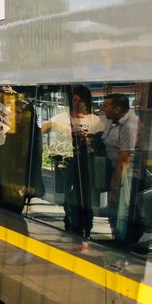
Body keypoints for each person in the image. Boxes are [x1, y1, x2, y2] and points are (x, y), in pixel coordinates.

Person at [42, 85, 103, 238]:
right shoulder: (63, 117)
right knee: (69, 195)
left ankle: (86, 225)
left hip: (86, 163)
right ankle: (71, 222)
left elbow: (100, 143)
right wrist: (61, 127)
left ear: (86, 102)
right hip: (68, 162)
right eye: (74, 100)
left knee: (86, 195)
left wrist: (87, 136)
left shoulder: (94, 120)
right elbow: (43, 128)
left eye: (80, 101)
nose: (77, 104)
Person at [100, 93, 138, 242]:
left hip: (125, 173)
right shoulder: (112, 120)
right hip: (113, 169)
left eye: (106, 106)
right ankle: (115, 236)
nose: (102, 109)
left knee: (123, 209)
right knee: (113, 208)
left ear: (117, 109)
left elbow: (125, 159)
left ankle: (122, 242)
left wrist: (114, 183)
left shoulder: (129, 126)